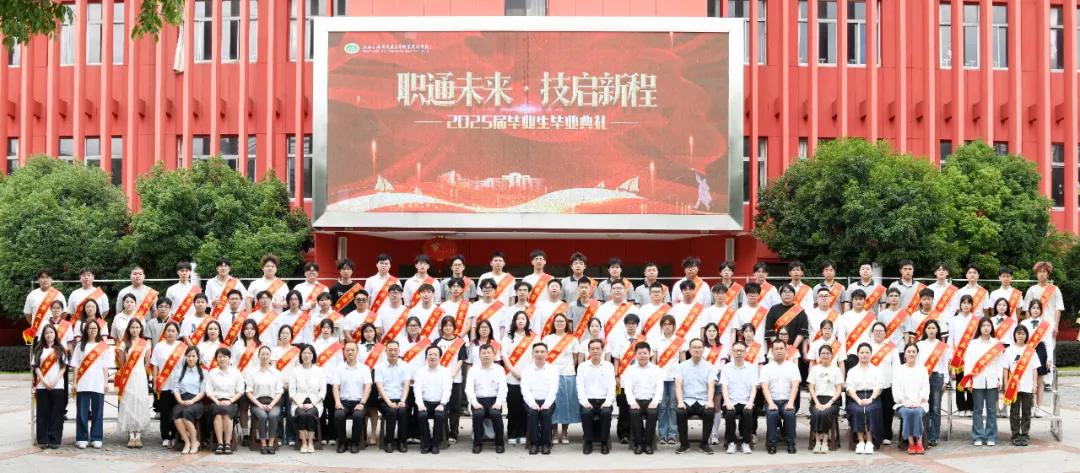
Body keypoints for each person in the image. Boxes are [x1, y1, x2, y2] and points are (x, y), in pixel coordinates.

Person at [964, 317, 1005, 446]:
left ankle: (991, 436)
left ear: (992, 327)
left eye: (988, 325)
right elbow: (968, 363)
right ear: (979, 328)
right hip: (977, 380)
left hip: (992, 380)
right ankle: (978, 436)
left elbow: (1000, 363)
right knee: (977, 409)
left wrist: (1000, 379)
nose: (986, 328)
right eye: (983, 326)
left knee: (991, 410)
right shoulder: (973, 344)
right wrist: (968, 380)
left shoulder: (997, 343)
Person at [674, 338, 717, 454]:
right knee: (680, 412)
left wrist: (710, 401)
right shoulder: (681, 366)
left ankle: (704, 444)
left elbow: (711, 386)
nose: (697, 350)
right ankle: (684, 444)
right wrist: (680, 401)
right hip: (687, 400)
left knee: (709, 412)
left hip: (703, 400)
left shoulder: (710, 366)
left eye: (699, 347)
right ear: (689, 350)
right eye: (694, 347)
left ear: (703, 349)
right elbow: (678, 385)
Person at [542, 313, 580, 444]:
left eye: (562, 321)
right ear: (553, 324)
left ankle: (564, 432)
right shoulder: (547, 339)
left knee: (566, 404)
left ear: (566, 324)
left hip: (568, 374)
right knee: (553, 403)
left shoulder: (572, 339)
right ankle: (554, 433)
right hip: (551, 375)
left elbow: (575, 358)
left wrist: (569, 369)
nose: (559, 324)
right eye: (557, 321)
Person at [116, 317, 153, 448]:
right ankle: (131, 435)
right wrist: (126, 374)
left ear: (141, 329)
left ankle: (138, 435)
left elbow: (147, 362)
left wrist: (143, 373)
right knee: (129, 403)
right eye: (132, 327)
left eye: (137, 327)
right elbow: (121, 363)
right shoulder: (124, 344)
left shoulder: (145, 344)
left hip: (140, 376)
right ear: (129, 329)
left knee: (140, 402)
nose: (135, 330)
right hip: (128, 376)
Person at [1004, 324, 1043, 446]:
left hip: (1027, 386)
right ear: (1014, 335)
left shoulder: (1031, 351)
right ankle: (1015, 434)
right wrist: (1006, 384)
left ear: (1026, 335)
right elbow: (1005, 369)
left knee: (1027, 411)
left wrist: (1035, 384)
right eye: (1018, 333)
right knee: (1014, 412)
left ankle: (1025, 434)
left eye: (1023, 333)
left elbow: (1035, 369)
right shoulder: (1009, 350)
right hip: (1013, 387)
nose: (1020, 336)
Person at [465, 343, 508, 453]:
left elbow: (503, 388)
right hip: (478, 400)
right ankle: (477, 444)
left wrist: (499, 402)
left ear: (494, 355)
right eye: (483, 353)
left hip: (494, 400)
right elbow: (469, 389)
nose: (486, 355)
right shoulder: (473, 370)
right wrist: (474, 403)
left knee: (496, 414)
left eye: (489, 353)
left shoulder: (499, 369)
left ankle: (499, 443)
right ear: (479, 355)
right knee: (478, 414)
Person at [622, 341, 663, 455]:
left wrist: (655, 402)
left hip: (651, 400)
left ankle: (648, 444)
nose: (642, 356)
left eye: (645, 353)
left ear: (650, 354)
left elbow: (659, 388)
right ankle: (639, 444)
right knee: (634, 413)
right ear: (635, 355)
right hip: (636, 401)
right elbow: (628, 389)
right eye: (639, 353)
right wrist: (632, 402)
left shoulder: (656, 369)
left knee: (652, 413)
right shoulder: (630, 370)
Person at [331, 341, 373, 453]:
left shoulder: (364, 368)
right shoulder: (339, 368)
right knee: (339, 415)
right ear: (344, 352)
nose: (350, 352)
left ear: (357, 352)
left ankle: (355, 442)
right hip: (343, 402)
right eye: (347, 350)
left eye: (353, 350)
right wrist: (337, 402)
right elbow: (335, 387)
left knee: (358, 416)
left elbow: (368, 387)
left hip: (359, 401)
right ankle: (343, 442)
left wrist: (362, 403)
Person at [760, 339, 799, 454]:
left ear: (786, 350)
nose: (779, 351)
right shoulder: (766, 368)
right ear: (772, 351)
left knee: (790, 413)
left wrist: (790, 403)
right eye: (776, 349)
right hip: (771, 400)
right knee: (772, 414)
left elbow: (795, 386)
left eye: (781, 348)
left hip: (787, 400)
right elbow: (765, 388)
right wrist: (771, 403)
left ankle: (791, 443)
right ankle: (772, 444)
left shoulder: (792, 367)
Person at [577, 338, 616, 455]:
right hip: (588, 400)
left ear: (602, 350)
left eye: (598, 349)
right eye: (592, 349)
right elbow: (580, 386)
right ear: (588, 351)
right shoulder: (582, 366)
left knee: (605, 413)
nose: (595, 351)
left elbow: (612, 386)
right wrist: (584, 402)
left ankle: (604, 442)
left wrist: (608, 402)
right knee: (586, 413)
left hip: (604, 400)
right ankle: (588, 441)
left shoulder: (609, 366)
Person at [433, 316, 469, 443]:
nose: (448, 328)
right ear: (442, 328)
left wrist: (453, 374)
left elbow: (461, 360)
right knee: (442, 406)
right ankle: (442, 431)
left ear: (454, 327)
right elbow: (433, 359)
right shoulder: (437, 342)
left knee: (455, 407)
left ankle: (453, 433)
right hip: (439, 380)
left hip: (455, 379)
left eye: (450, 325)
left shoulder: (460, 342)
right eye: (445, 325)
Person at [520, 342, 560, 455]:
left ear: (547, 353)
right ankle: (534, 444)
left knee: (546, 414)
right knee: (533, 414)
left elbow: (554, 389)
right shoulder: (526, 370)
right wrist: (532, 403)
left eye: (542, 351)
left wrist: (547, 403)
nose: (539, 354)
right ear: (533, 353)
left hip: (548, 401)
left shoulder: (553, 369)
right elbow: (525, 389)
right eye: (537, 352)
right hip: (531, 401)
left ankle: (546, 444)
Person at [501, 310, 534, 445]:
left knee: (526, 407)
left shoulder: (532, 337)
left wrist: (526, 374)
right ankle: (512, 434)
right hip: (512, 377)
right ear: (514, 321)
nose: (521, 321)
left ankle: (524, 433)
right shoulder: (508, 337)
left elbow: (536, 355)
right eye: (518, 319)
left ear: (527, 322)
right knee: (513, 407)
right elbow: (504, 356)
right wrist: (513, 372)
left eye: (523, 319)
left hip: (528, 377)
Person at [33, 324, 68, 449]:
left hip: (57, 386)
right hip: (42, 386)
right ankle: (42, 439)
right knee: (42, 413)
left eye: (51, 332)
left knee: (56, 414)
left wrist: (54, 381)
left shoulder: (60, 349)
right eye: (46, 332)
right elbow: (36, 367)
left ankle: (55, 440)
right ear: (43, 335)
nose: (49, 335)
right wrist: (44, 381)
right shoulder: (38, 350)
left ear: (55, 334)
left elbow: (63, 368)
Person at [650, 315, 684, 444]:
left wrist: (682, 378)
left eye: (670, 324)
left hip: (675, 378)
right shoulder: (656, 340)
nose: (667, 326)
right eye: (665, 324)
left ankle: (673, 434)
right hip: (660, 378)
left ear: (674, 326)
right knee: (662, 406)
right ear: (661, 326)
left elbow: (683, 361)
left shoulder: (679, 341)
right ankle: (662, 434)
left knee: (673, 406)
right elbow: (653, 361)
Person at [151, 321, 186, 448]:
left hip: (178, 385)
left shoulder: (182, 347)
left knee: (177, 411)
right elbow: (155, 365)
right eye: (168, 331)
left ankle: (175, 435)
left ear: (177, 333)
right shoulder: (159, 346)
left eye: (173, 331)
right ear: (165, 333)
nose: (171, 333)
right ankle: (165, 436)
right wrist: (155, 381)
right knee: (165, 412)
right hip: (164, 384)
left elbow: (186, 366)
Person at [719, 341, 757, 454]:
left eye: (741, 351)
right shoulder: (726, 368)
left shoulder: (751, 368)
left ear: (745, 352)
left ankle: (746, 442)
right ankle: (732, 442)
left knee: (748, 414)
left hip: (746, 401)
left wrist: (750, 402)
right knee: (730, 414)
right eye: (736, 350)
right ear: (732, 352)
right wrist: (727, 402)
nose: (739, 353)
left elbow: (753, 387)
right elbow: (724, 387)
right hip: (730, 401)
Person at [413, 345, 452, 454]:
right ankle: (426, 444)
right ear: (426, 357)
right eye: (430, 354)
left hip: (440, 402)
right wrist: (420, 404)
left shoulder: (445, 371)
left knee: (439, 416)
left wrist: (442, 404)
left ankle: (435, 444)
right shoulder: (420, 371)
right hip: (425, 402)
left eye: (435, 354)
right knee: (422, 415)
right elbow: (417, 389)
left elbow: (447, 390)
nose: (432, 356)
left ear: (440, 357)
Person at [375, 341, 412, 453]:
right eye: (390, 350)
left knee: (402, 411)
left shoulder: (405, 366)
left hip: (401, 398)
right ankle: (389, 441)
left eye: (395, 350)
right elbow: (379, 387)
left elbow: (406, 385)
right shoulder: (379, 367)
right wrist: (389, 403)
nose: (393, 352)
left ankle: (402, 441)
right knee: (391, 412)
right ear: (385, 351)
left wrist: (403, 401)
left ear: (399, 351)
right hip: (384, 399)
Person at [916, 319, 949, 446]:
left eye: (933, 328)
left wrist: (946, 380)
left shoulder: (942, 346)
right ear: (925, 330)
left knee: (935, 408)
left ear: (937, 330)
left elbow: (945, 364)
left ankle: (934, 436)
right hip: (922, 377)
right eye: (929, 328)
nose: (931, 330)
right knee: (923, 406)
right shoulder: (919, 345)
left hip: (937, 377)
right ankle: (924, 435)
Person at [846, 343, 883, 455]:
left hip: (873, 397)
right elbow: (849, 388)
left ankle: (870, 442)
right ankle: (861, 441)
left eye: (867, 352)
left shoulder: (876, 370)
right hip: (856, 398)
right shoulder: (852, 371)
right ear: (858, 354)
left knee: (870, 410)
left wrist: (871, 399)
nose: (864, 355)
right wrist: (858, 400)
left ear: (871, 354)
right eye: (862, 352)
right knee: (858, 410)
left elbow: (878, 387)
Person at [246, 346, 284, 454]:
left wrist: (271, 405)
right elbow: (248, 392)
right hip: (257, 403)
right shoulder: (251, 372)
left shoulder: (276, 373)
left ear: (270, 356)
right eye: (262, 354)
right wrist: (259, 405)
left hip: (273, 402)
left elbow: (279, 392)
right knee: (262, 416)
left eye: (267, 354)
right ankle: (263, 443)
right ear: (258, 356)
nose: (265, 356)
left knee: (273, 416)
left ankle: (270, 444)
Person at [206, 348, 245, 455]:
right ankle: (220, 443)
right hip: (216, 401)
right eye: (220, 356)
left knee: (227, 413)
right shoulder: (212, 373)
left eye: (225, 356)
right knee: (218, 414)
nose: (222, 359)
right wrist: (217, 401)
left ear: (229, 358)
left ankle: (227, 443)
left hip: (231, 402)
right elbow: (209, 391)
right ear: (216, 359)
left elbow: (240, 391)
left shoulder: (236, 372)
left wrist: (230, 401)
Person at [894, 343, 930, 455]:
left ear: (917, 354)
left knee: (917, 412)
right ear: (904, 354)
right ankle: (911, 442)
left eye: (914, 352)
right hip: (903, 403)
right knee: (908, 412)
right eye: (908, 351)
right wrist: (904, 402)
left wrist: (918, 402)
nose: (911, 354)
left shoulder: (922, 369)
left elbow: (925, 388)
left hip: (920, 402)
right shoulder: (898, 370)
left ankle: (919, 442)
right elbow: (896, 389)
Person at [868, 322, 900, 444]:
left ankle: (887, 435)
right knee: (874, 410)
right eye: (876, 331)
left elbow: (896, 366)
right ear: (872, 333)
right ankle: (874, 434)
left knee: (887, 410)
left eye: (881, 331)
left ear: (885, 333)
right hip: (872, 384)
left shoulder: (891, 347)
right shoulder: (867, 346)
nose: (878, 333)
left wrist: (895, 382)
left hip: (887, 384)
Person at [290, 344, 326, 454]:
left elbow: (322, 392)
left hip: (315, 402)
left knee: (310, 414)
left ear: (313, 355)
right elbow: (292, 392)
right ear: (301, 355)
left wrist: (312, 404)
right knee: (301, 414)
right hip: (298, 401)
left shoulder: (320, 371)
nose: (306, 355)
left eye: (309, 353)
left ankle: (310, 441)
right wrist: (300, 404)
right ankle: (304, 442)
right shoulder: (295, 371)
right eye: (304, 353)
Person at [1024, 261, 1062, 365]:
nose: (1042, 274)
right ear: (1036, 274)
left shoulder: (1055, 289)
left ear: (1048, 274)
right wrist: (1027, 324)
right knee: (1033, 349)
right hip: (1034, 325)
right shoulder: (1031, 290)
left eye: (1044, 272)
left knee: (1049, 348)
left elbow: (1058, 308)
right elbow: (1027, 309)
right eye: (1039, 272)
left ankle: (1049, 373)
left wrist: (1056, 326)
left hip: (1049, 324)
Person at [807, 344, 843, 454]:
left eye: (828, 353)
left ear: (831, 355)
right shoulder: (815, 369)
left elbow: (838, 390)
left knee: (825, 413)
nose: (825, 355)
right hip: (817, 399)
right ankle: (818, 442)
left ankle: (825, 442)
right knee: (816, 413)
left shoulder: (836, 370)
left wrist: (830, 403)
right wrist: (817, 402)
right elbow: (811, 388)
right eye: (823, 353)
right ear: (819, 356)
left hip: (832, 400)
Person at [171, 346, 206, 454]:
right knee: (176, 412)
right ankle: (187, 442)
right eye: (189, 356)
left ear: (198, 358)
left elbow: (202, 392)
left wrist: (192, 401)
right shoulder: (179, 372)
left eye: (193, 356)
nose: (191, 358)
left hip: (196, 401)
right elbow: (176, 389)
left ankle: (194, 441)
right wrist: (180, 401)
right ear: (185, 357)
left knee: (187, 412)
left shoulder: (203, 372)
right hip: (182, 399)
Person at [948, 294, 979, 417]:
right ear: (960, 305)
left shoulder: (976, 320)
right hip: (958, 355)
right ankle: (961, 407)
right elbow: (951, 338)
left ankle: (970, 407)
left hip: (972, 355)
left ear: (972, 306)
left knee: (971, 381)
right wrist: (951, 354)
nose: (966, 305)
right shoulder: (953, 320)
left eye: (969, 303)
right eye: (964, 303)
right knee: (959, 381)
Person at [23, 270, 66, 345]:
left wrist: (56, 325)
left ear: (52, 279)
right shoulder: (32, 295)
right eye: (42, 277)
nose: (45, 280)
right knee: (37, 352)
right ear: (38, 280)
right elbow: (27, 314)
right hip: (37, 334)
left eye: (48, 277)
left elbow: (64, 313)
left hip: (54, 334)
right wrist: (35, 324)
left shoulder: (59, 295)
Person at [837, 289, 876, 371]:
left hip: (868, 355)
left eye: (861, 299)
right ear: (852, 301)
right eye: (856, 299)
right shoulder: (844, 317)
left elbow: (874, 338)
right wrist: (842, 357)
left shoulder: (871, 317)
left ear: (865, 301)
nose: (858, 301)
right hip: (851, 355)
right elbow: (841, 338)